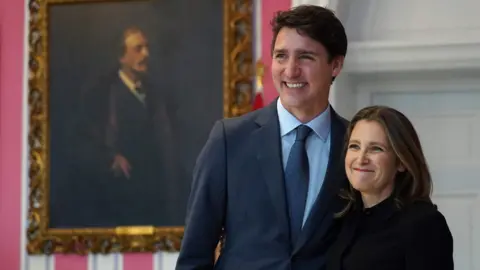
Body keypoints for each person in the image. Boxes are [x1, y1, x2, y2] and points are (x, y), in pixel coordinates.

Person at [176, 5, 349, 270]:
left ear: (335, 64)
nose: (290, 71)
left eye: (305, 57)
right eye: (281, 56)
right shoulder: (229, 140)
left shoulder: (354, 145)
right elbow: (194, 254)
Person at [67, 26, 179, 227]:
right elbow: (82, 143)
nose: (146, 54)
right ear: (121, 57)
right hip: (116, 196)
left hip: (153, 197)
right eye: (138, 49)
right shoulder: (100, 94)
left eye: (147, 48)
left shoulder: (156, 94)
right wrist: (110, 158)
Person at [326, 106, 454, 270]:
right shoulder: (345, 217)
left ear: (401, 162)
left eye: (376, 148)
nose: (361, 158)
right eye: (355, 146)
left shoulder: (423, 224)